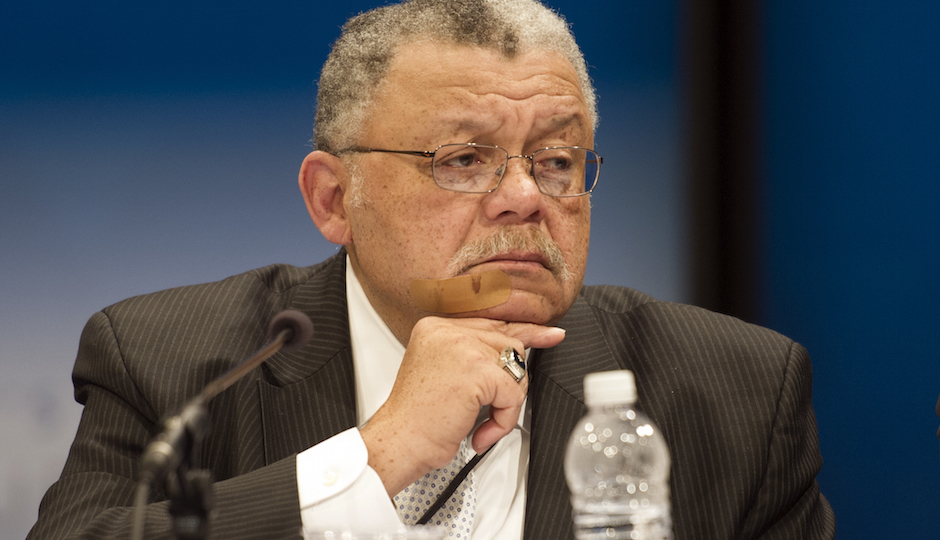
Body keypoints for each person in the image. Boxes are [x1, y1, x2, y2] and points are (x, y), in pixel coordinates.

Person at [28, 0, 835, 538]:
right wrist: (376, 457)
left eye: (557, 160)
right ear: (334, 199)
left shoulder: (736, 394)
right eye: (463, 160)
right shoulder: (173, 365)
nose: (525, 197)